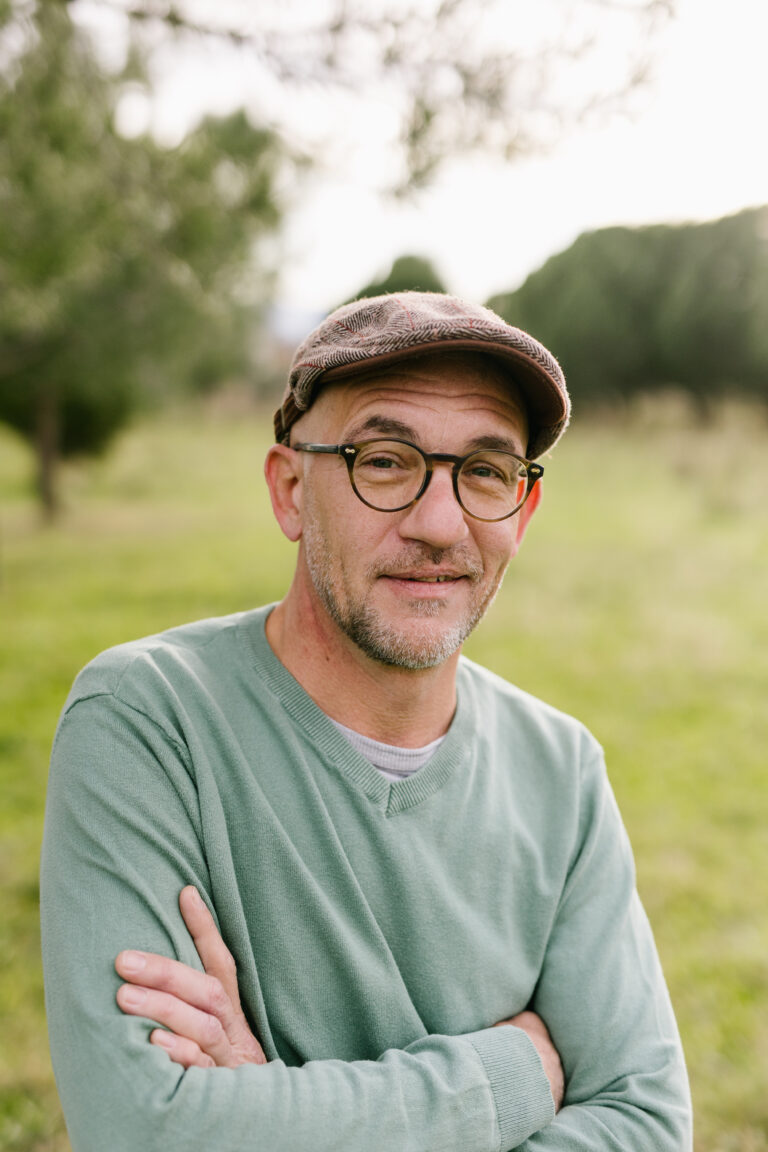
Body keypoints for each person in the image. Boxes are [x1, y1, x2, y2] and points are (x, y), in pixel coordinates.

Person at [40, 291, 692, 1151]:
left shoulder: (560, 770)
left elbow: (647, 1126)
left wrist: (266, 1114)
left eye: (486, 471)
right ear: (290, 491)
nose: (440, 524)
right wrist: (514, 1072)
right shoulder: (148, 723)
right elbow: (144, 1129)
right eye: (384, 461)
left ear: (522, 514)